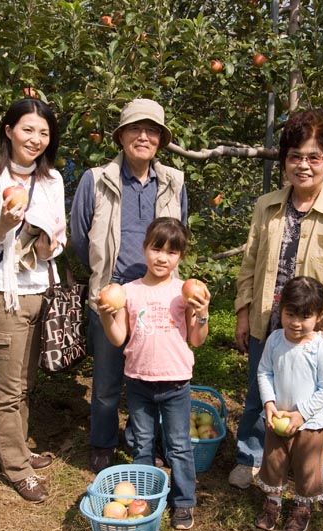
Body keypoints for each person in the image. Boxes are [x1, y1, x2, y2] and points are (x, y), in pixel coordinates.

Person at [230, 109, 323, 508]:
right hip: (270, 323)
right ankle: (252, 458)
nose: (303, 165)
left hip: (316, 329)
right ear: (285, 160)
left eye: (313, 157)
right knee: (261, 394)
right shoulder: (267, 206)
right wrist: (243, 311)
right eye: (295, 156)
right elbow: (251, 263)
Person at [71, 98, 189, 473]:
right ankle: (104, 442)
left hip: (157, 296)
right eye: (135, 129)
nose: (143, 136)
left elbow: (177, 234)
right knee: (107, 379)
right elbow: (79, 236)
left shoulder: (174, 181)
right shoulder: (95, 180)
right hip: (114, 292)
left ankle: (145, 443)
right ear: (120, 136)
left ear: (160, 140)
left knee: (153, 376)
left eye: (152, 130)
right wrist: (107, 281)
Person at [0, 98, 66, 503]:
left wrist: (47, 249)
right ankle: (16, 468)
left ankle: (21, 447)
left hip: (41, 292)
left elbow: (58, 239)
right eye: (28, 129)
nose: (36, 139)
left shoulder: (53, 180)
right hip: (4, 297)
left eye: (43, 133)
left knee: (26, 383)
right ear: (8, 130)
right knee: (8, 390)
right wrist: (4, 225)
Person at [96, 217, 210, 530]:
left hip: (175, 383)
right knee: (142, 444)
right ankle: (144, 499)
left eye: (171, 252)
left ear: (180, 257)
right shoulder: (127, 292)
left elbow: (197, 340)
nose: (162, 257)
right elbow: (119, 338)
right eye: (156, 248)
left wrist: (202, 314)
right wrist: (107, 316)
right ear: (144, 248)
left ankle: (184, 502)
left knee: (178, 445)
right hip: (138, 382)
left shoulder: (184, 293)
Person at [253, 276, 323, 531]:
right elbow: (264, 372)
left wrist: (301, 414)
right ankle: (273, 503)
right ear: (281, 310)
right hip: (278, 418)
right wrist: (269, 402)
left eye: (305, 316)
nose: (297, 323)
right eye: (290, 314)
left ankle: (302, 507)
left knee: (307, 467)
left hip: (309, 424)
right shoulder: (276, 340)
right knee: (274, 462)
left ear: (319, 316)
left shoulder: (319, 349)